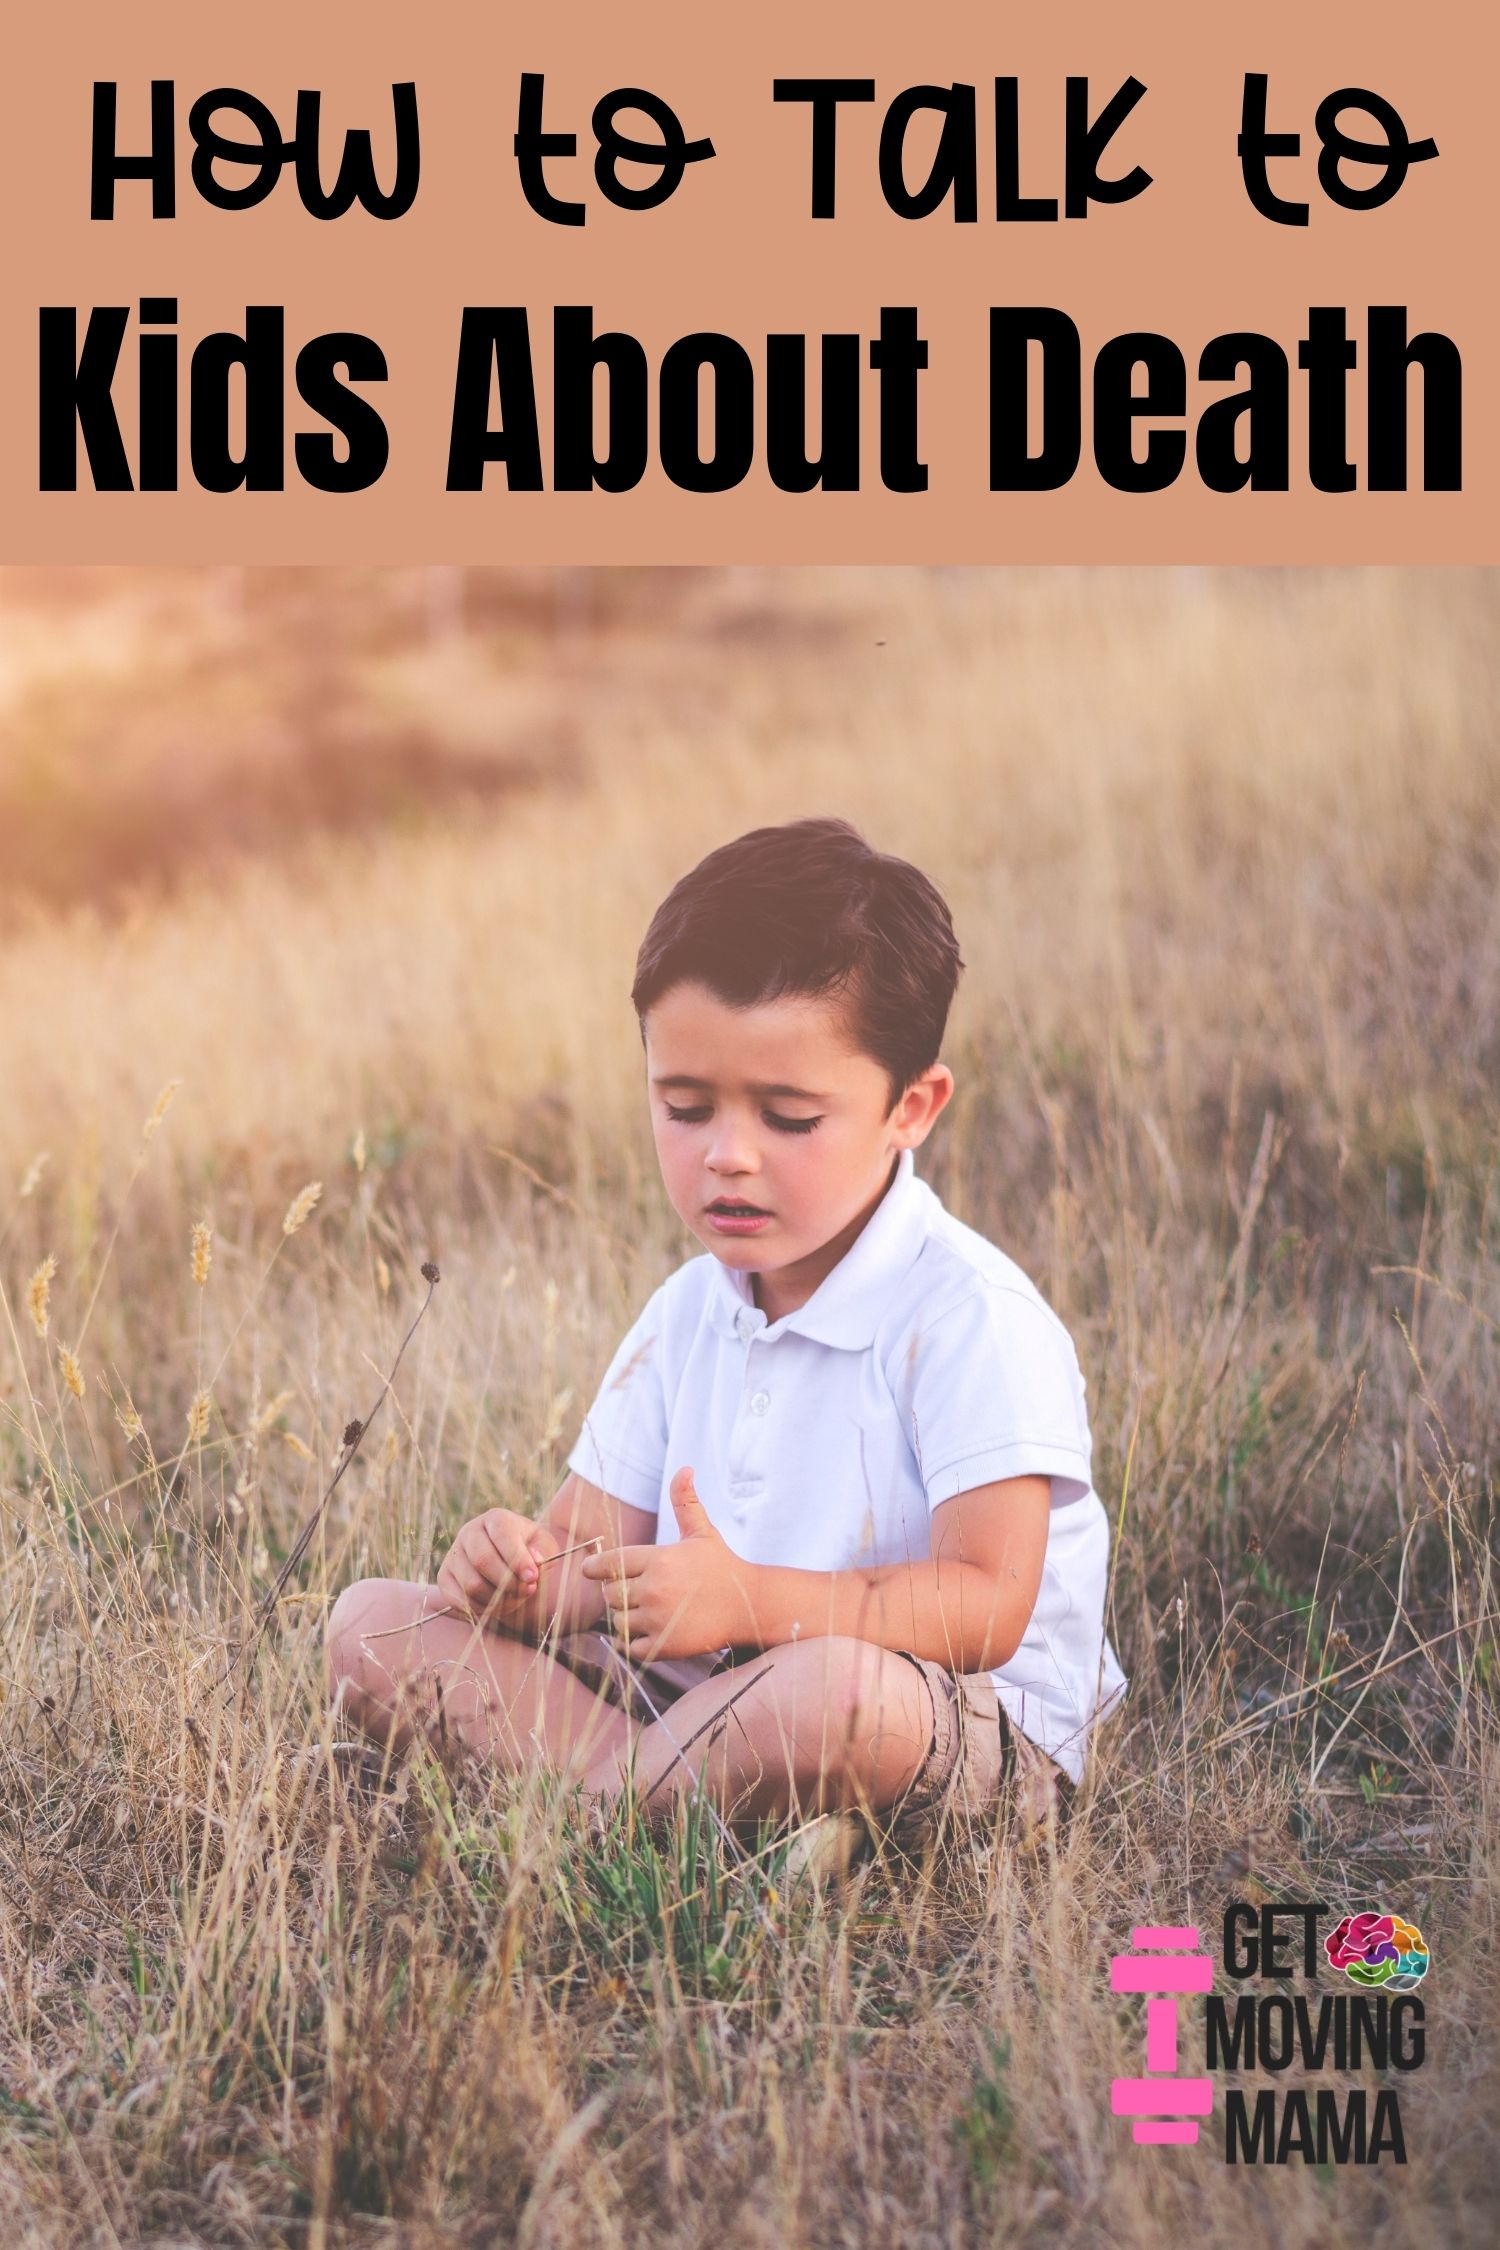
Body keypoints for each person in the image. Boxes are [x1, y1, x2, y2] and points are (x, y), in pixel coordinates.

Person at [326, 817, 1127, 1861]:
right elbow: (586, 1560)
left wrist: (750, 1599)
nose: (728, 1157)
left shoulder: (969, 1316)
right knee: (371, 1629)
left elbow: (987, 1608)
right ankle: (685, 1814)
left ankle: (601, 1818)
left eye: (790, 1118)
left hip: (935, 1718)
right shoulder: (687, 1311)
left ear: (912, 1108)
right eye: (686, 1107)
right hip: (691, 1699)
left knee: (830, 1696)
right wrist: (517, 1576)